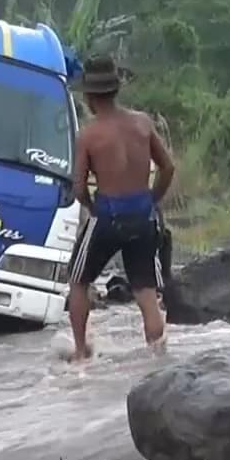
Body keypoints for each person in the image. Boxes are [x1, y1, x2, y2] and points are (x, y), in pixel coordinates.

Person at [67, 56, 176, 362]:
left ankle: (79, 353)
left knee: (79, 280)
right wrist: (153, 199)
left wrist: (91, 206)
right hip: (143, 214)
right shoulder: (142, 123)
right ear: (116, 90)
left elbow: (78, 187)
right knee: (145, 291)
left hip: (108, 214)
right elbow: (168, 167)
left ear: (89, 97)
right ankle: (158, 354)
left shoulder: (88, 134)